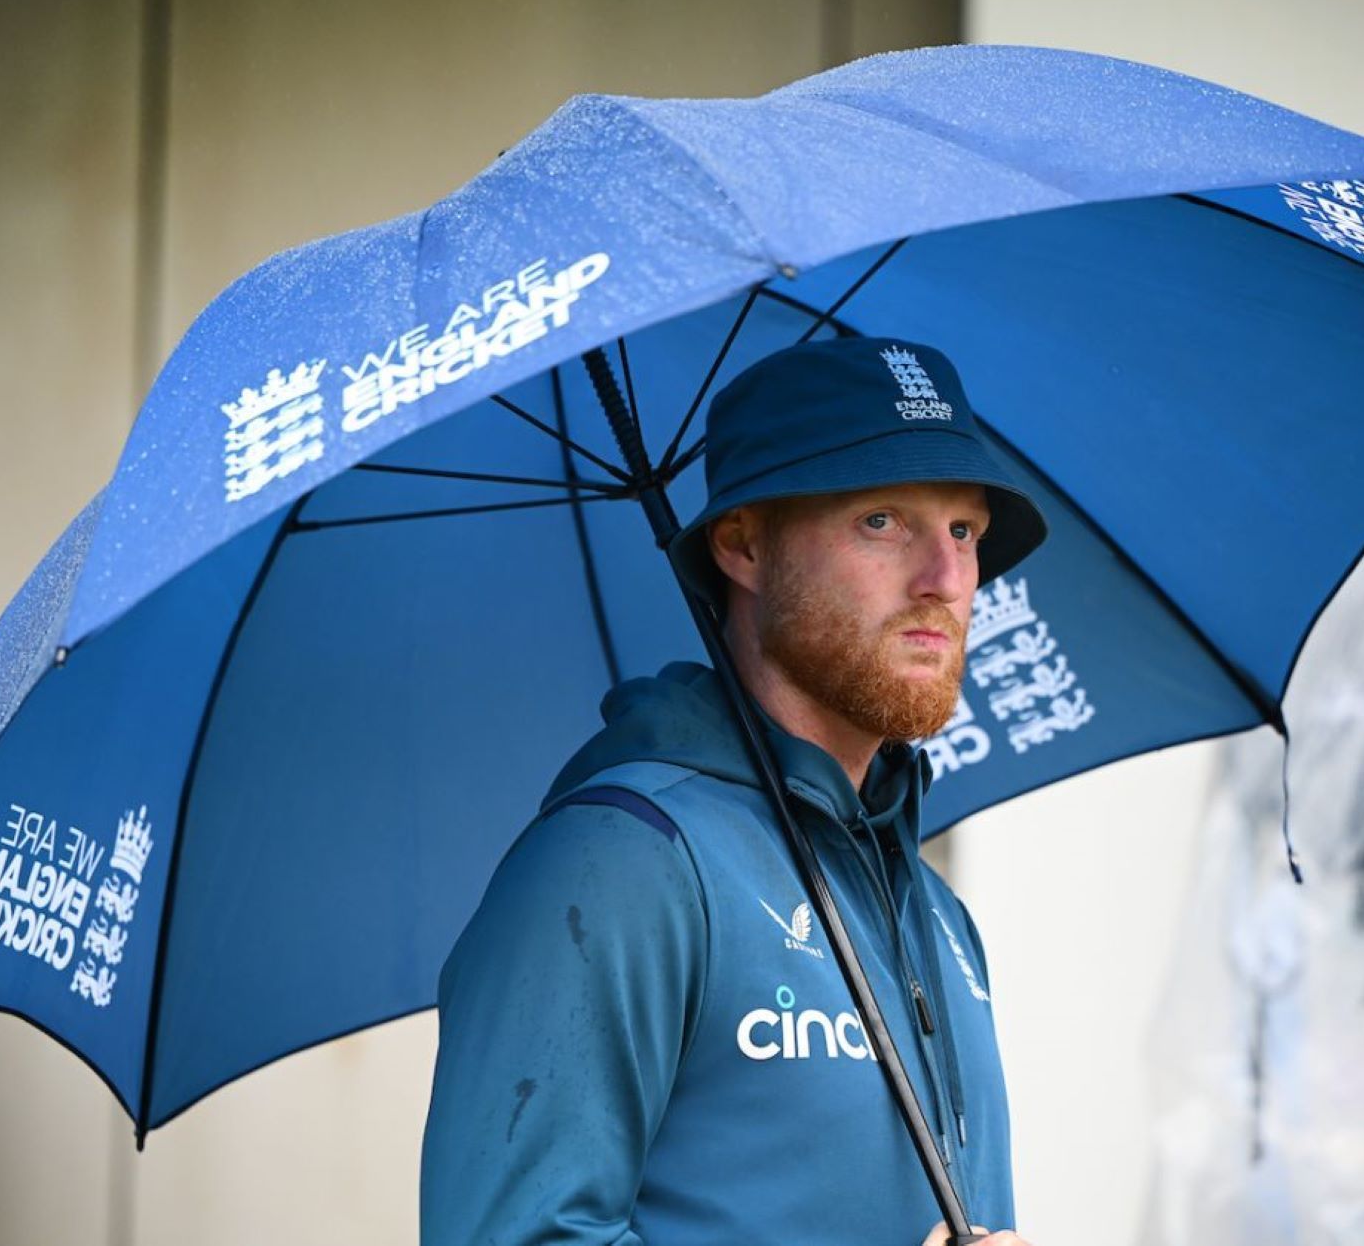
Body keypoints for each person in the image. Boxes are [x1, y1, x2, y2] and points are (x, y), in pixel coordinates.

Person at [420, 336, 1046, 1245]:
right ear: (744, 545)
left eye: (964, 531)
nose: (946, 581)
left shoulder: (940, 918)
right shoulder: (621, 862)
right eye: (882, 520)